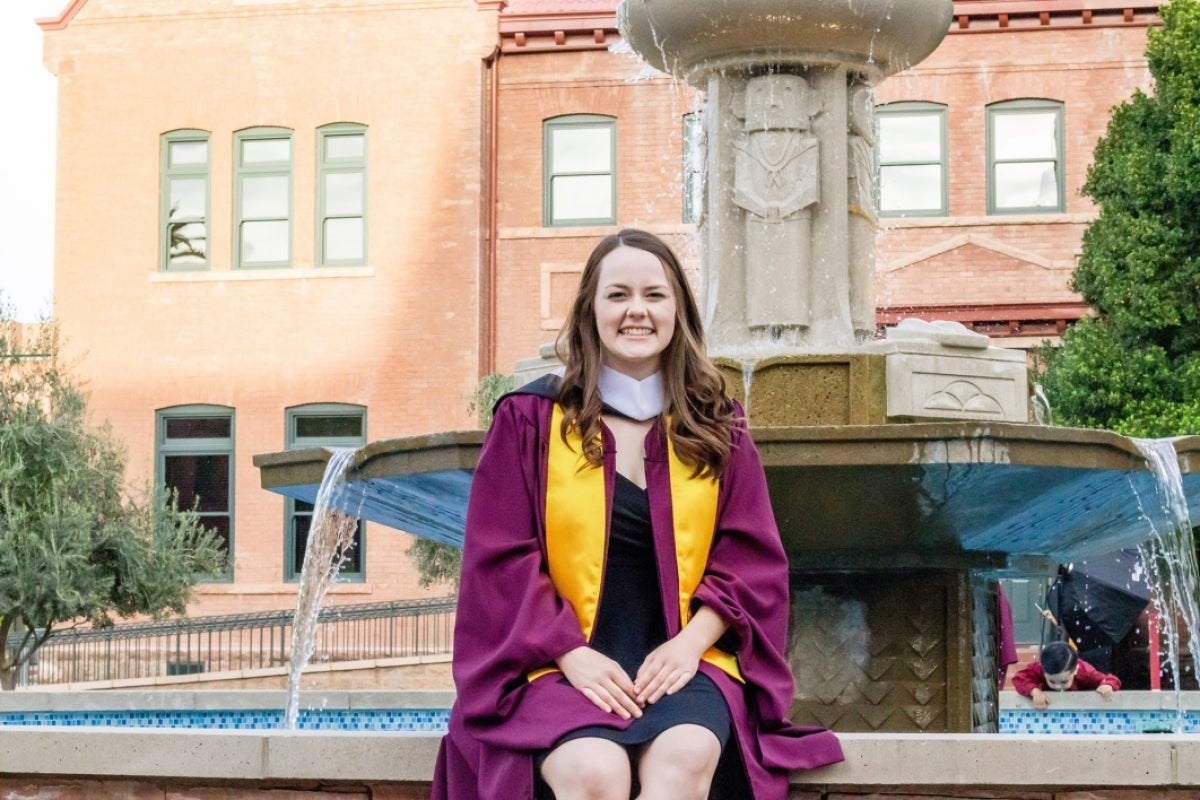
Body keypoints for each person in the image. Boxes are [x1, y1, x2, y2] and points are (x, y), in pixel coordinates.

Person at [431, 229, 843, 800]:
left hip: (681, 660)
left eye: (654, 295)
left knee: (687, 756)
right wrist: (571, 655)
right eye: (617, 295)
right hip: (553, 663)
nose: (637, 311)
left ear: (678, 310)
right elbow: (500, 560)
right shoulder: (532, 421)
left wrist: (689, 646)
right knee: (593, 772)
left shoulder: (717, 425)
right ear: (589, 311)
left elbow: (749, 561)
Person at [1011, 641, 1121, 710]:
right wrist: (1034, 691)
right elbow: (1018, 678)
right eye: (1052, 682)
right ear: (1043, 672)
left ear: (1075, 671)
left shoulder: (1084, 671)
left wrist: (1107, 685)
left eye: (1064, 682)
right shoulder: (1039, 667)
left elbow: (1110, 679)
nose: (1058, 687)